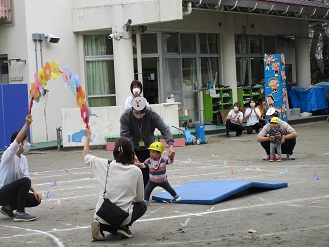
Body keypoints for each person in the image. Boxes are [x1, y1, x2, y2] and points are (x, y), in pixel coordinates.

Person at [83, 128, 146, 240]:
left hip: (101, 215)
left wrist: (88, 137)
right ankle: (122, 227)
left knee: (103, 203)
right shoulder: (136, 171)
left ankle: (100, 226)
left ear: (114, 152)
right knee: (142, 206)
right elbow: (139, 199)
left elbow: (85, 156)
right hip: (121, 217)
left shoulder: (105, 165)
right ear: (132, 154)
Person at [120, 96, 175, 187]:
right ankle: (133, 192)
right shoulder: (125, 116)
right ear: (132, 108)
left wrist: (171, 145)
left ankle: (144, 194)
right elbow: (124, 136)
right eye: (136, 112)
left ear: (145, 109)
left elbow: (164, 129)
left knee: (147, 173)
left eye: (141, 112)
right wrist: (132, 153)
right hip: (132, 146)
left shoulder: (151, 114)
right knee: (132, 171)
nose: (138, 115)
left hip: (148, 147)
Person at [0, 114, 42, 222]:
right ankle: (20, 213)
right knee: (25, 181)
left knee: (35, 199)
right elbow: (16, 142)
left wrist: (35, 191)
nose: (28, 143)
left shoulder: (23, 159)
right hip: (2, 193)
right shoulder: (8, 155)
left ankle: (7, 208)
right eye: (26, 140)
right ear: (20, 142)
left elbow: (26, 177)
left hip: (11, 194)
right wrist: (27, 124)